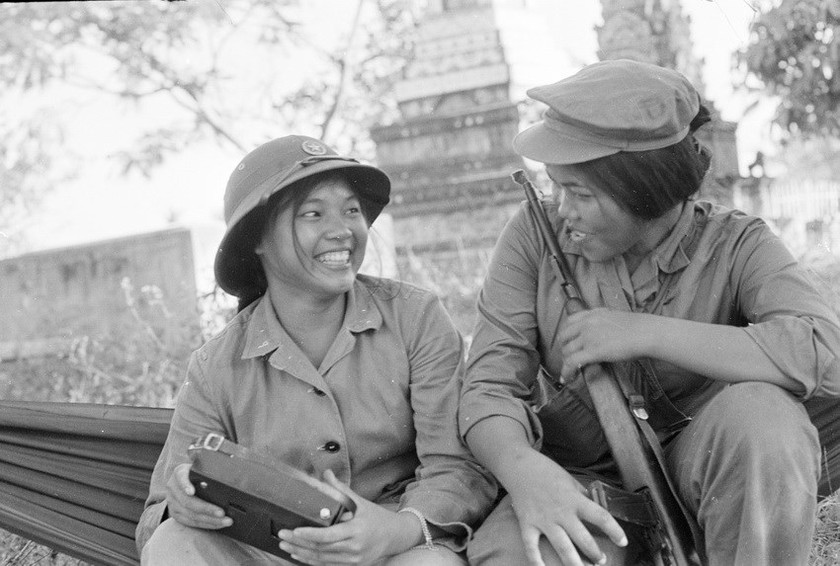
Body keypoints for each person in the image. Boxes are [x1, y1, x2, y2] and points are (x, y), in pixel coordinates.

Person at [458, 59, 840, 566]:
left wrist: (645, 333)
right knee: (515, 554)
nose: (562, 209)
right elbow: (488, 386)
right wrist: (525, 471)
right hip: (585, 481)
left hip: (716, 471)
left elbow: (823, 350)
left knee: (765, 422)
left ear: (643, 190)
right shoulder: (535, 233)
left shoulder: (739, 243)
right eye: (555, 186)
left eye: (580, 193)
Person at [135, 135, 497, 565]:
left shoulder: (416, 318)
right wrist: (182, 496)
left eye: (351, 210)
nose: (341, 230)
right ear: (258, 239)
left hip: (394, 545)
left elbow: (457, 466)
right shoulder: (216, 366)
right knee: (174, 543)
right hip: (275, 553)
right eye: (312, 213)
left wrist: (396, 531)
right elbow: (161, 507)